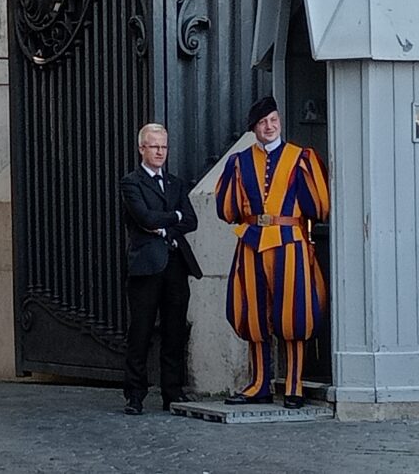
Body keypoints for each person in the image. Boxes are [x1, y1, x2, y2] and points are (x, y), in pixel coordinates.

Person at [215, 96, 329, 409]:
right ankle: (259, 384)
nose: (270, 126)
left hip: (290, 242)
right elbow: (227, 210)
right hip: (251, 241)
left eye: (274, 120)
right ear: (254, 128)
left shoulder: (300, 157)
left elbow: (318, 206)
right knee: (253, 315)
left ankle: (294, 385)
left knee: (294, 315)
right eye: (263, 122)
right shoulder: (239, 161)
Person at [119, 124, 201, 415]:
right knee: (140, 331)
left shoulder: (177, 183)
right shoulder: (132, 182)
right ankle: (135, 394)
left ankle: (173, 392)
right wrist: (172, 217)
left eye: (164, 147)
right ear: (142, 148)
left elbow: (191, 221)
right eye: (154, 147)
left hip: (176, 264)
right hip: (146, 266)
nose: (160, 152)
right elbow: (144, 216)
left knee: (175, 330)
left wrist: (164, 222)